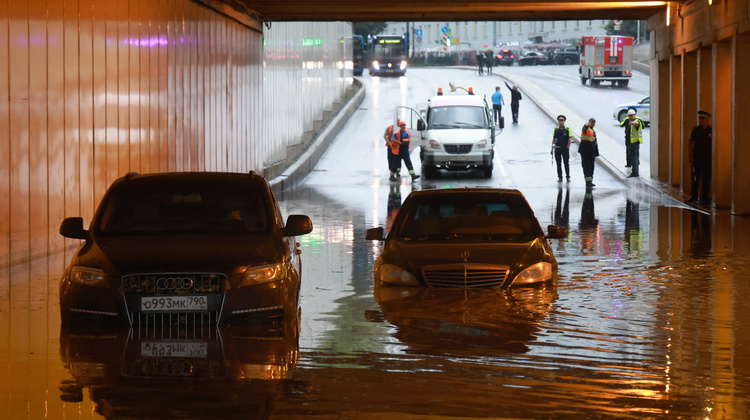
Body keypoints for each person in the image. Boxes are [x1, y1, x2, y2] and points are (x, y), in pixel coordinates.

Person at [686, 110, 712, 203]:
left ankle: (704, 196)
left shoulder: (711, 131)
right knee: (695, 178)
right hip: (697, 157)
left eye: (702, 118)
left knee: (706, 178)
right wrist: (690, 155)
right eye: (699, 118)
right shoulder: (696, 130)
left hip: (707, 158)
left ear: (707, 120)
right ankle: (694, 196)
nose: (701, 120)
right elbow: (690, 143)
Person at [551, 115, 573, 182]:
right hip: (557, 148)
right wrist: (552, 148)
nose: (561, 122)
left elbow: (569, 138)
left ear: (564, 121)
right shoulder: (556, 130)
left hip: (564, 148)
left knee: (566, 163)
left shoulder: (567, 129)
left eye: (562, 121)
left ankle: (568, 176)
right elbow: (554, 139)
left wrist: (568, 147)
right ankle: (560, 177)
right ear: (558, 122)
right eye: (560, 121)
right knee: (558, 163)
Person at [622, 109, 644, 177]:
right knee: (634, 156)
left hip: (634, 142)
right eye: (629, 116)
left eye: (631, 115)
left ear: (634, 115)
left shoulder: (637, 120)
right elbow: (621, 125)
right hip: (630, 141)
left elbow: (637, 124)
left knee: (634, 157)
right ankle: (635, 170)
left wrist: (634, 123)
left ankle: (635, 172)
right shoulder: (628, 120)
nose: (630, 117)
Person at [579, 118, 599, 187]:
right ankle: (588, 182)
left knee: (591, 166)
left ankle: (590, 180)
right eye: (591, 122)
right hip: (585, 150)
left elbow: (595, 142)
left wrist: (596, 152)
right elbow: (584, 128)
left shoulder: (593, 131)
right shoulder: (586, 129)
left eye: (594, 123)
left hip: (591, 151)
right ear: (589, 122)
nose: (593, 124)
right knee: (586, 166)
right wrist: (586, 125)